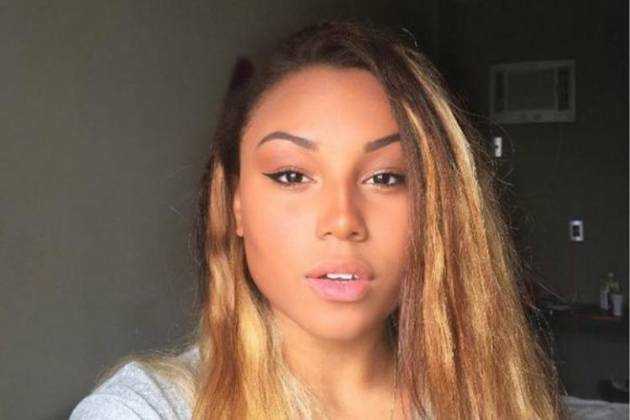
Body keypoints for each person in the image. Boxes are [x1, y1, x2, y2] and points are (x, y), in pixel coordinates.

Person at [70, 19, 568, 420]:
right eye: (291, 175)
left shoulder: (499, 402)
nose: (343, 220)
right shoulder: (144, 411)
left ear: (438, 209)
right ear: (235, 204)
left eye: (386, 177)